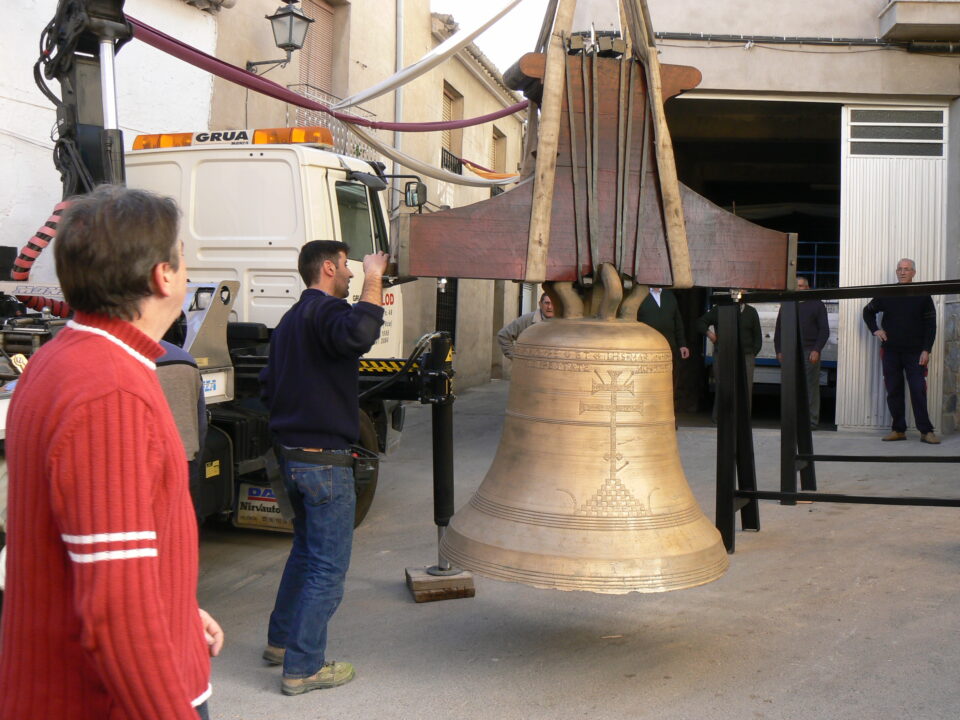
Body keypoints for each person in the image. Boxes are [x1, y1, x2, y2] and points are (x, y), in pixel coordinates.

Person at [0, 185, 223, 720]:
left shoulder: (64, 359)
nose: (188, 268)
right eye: (183, 254)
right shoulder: (109, 390)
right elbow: (116, 613)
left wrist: (176, 607)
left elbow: (91, 546)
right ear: (162, 275)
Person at [260, 240, 388, 695]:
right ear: (329, 268)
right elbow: (359, 334)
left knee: (305, 554)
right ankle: (304, 667)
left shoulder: (292, 320)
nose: (354, 274)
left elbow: (266, 385)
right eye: (350, 268)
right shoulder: (327, 313)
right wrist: (375, 277)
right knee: (327, 569)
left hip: (292, 455)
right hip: (324, 462)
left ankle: (280, 642)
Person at [862, 258, 939, 444]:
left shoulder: (922, 294)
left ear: (914, 272)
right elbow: (867, 311)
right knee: (894, 391)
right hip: (891, 352)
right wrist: (876, 329)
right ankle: (898, 430)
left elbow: (931, 325)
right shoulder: (887, 293)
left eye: (907, 269)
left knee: (918, 390)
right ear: (896, 272)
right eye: (900, 269)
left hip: (915, 353)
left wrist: (926, 350)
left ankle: (926, 431)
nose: (902, 272)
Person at [695, 292, 763, 422]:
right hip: (723, 354)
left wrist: (752, 353)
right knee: (723, 387)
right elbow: (700, 322)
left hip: (746, 356)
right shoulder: (720, 308)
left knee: (745, 389)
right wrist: (710, 334)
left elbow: (758, 337)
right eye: (736, 291)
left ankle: (743, 419)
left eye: (742, 292)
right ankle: (720, 418)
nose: (739, 294)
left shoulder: (751, 312)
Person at [774, 276, 829, 429]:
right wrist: (779, 350)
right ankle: (791, 421)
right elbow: (779, 329)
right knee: (790, 387)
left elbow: (824, 330)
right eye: (796, 286)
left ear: (807, 288)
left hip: (809, 352)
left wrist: (816, 349)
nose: (799, 289)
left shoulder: (817, 305)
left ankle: (811, 422)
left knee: (810, 388)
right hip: (789, 351)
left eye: (801, 286)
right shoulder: (787, 305)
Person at [157, 339, 207, 490]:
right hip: (184, 460)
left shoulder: (120, 357)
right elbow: (201, 423)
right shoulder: (185, 358)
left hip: (142, 467)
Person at [497, 292, 554, 359]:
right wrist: (516, 357)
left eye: (553, 303)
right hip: (530, 367)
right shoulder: (527, 319)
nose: (549, 307)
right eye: (546, 303)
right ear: (540, 304)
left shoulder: (564, 322)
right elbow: (503, 335)